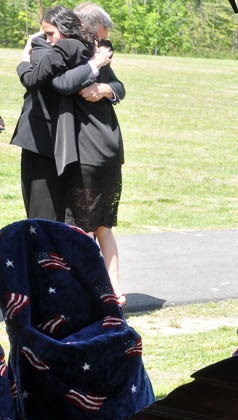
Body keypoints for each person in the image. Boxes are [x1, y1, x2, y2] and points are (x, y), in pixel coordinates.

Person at [10, 6, 107, 222]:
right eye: (45, 34)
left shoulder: (84, 48)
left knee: (54, 215)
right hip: (41, 138)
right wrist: (25, 61)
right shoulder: (44, 46)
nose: (47, 39)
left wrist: (106, 88)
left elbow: (114, 83)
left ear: (64, 28)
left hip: (65, 142)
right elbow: (47, 81)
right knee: (42, 213)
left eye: (50, 33)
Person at [61, 2, 128, 308]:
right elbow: (66, 84)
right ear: (86, 27)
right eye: (100, 34)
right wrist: (95, 66)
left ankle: (108, 293)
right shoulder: (76, 54)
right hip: (90, 148)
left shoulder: (95, 55)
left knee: (95, 226)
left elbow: (119, 87)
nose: (103, 41)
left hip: (101, 149)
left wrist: (104, 88)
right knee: (92, 227)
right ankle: (103, 292)